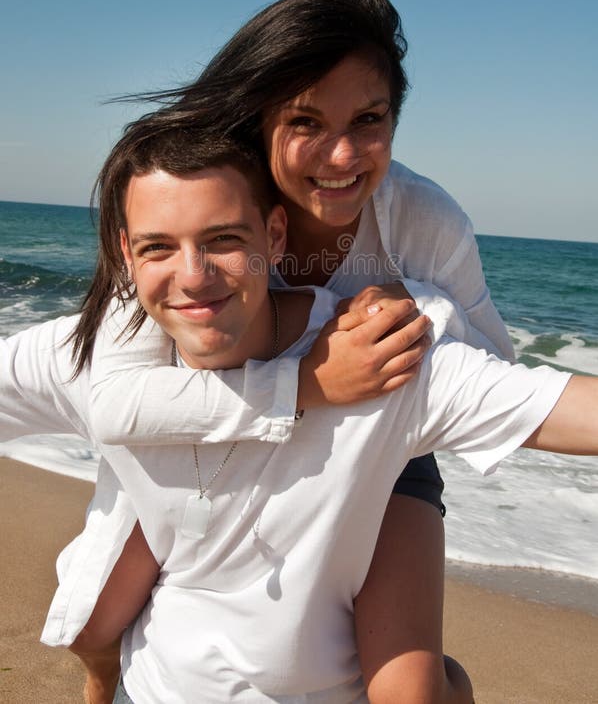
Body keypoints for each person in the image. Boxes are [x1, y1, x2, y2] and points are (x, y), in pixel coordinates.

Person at [2, 122, 596, 704]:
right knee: (87, 624)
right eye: (159, 246)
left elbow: (560, 407)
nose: (193, 276)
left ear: (275, 237)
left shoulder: (375, 357)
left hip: (375, 523)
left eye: (225, 239)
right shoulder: (106, 362)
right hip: (151, 685)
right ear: (126, 255)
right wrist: (299, 384)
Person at [78, 0, 514, 700]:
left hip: (384, 453)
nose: (342, 156)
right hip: (216, 435)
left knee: (415, 692)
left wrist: (424, 312)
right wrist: (310, 381)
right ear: (260, 116)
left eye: (369, 119)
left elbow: (494, 372)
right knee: (91, 626)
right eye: (307, 122)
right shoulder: (208, 202)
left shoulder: (422, 220)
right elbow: (115, 400)